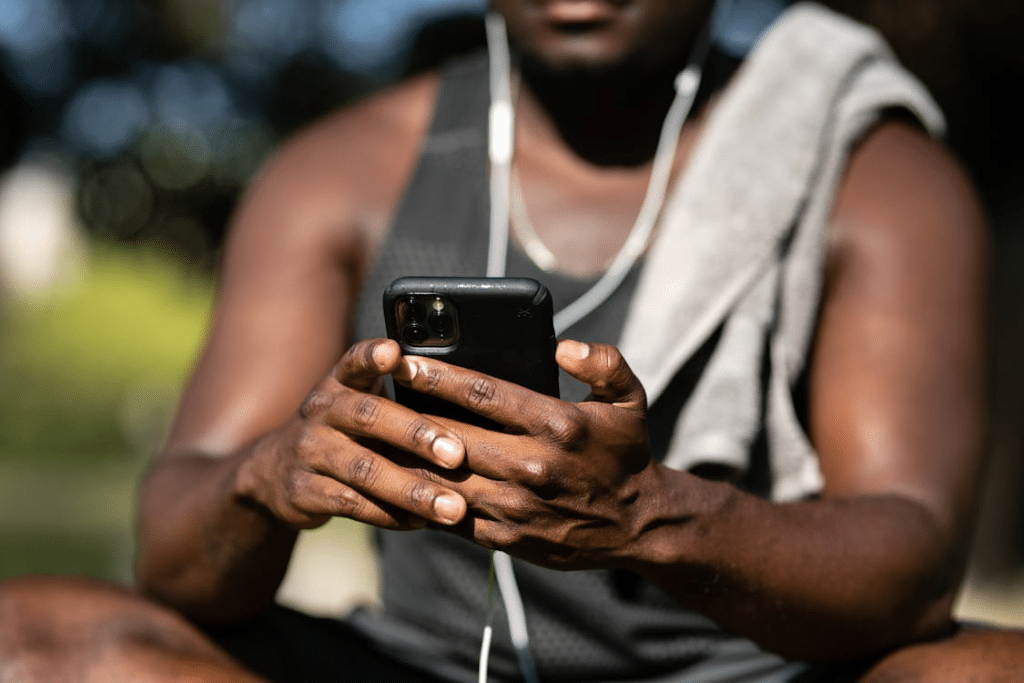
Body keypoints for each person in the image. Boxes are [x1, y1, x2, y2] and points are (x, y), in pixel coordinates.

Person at [2, 0, 1023, 681]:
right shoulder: (340, 172)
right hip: (425, 664)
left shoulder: (871, 172)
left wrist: (648, 516)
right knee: (30, 637)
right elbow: (175, 559)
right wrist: (269, 476)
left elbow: (914, 564)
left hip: (738, 674)